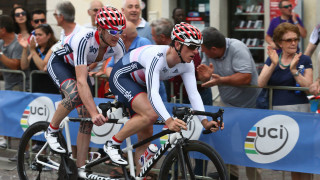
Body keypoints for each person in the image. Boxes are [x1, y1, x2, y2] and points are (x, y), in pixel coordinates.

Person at [104, 22, 223, 177]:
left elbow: (194, 94)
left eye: (198, 47)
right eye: (192, 47)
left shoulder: (187, 63)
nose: (196, 51)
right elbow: (153, 93)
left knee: (146, 134)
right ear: (179, 44)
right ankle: (112, 144)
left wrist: (205, 121)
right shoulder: (157, 56)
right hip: (122, 77)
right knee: (151, 115)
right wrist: (169, 120)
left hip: (140, 84)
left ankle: (141, 176)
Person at [44, 6, 126, 168]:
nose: (118, 35)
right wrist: (96, 113)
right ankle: (51, 130)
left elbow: (120, 77)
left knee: (87, 120)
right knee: (74, 95)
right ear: (100, 29)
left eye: (121, 30)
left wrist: (122, 99)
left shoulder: (118, 44)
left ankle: (81, 169)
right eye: (113, 31)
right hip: (60, 63)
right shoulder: (85, 39)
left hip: (78, 68)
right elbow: (81, 81)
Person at [197, 27, 261, 180]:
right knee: (223, 138)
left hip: (250, 105)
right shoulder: (208, 53)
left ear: (213, 48)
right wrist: (205, 78)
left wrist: (221, 81)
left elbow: (246, 77)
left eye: (204, 50)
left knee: (251, 145)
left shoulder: (237, 48)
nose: (203, 53)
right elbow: (207, 76)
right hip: (227, 103)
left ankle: (255, 178)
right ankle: (230, 175)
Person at [258, 22, 313, 180]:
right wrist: (273, 63)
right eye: (288, 40)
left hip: (301, 112)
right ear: (280, 43)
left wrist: (295, 71)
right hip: (280, 115)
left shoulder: (304, 59)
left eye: (295, 39)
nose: (293, 43)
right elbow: (261, 83)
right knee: (291, 157)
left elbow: (308, 87)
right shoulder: (274, 58)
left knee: (303, 155)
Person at [18, 24, 59, 94]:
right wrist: (25, 49)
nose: (37, 37)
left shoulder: (54, 47)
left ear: (49, 35)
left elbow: (43, 67)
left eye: (40, 35)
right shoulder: (36, 48)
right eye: (35, 35)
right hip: (35, 90)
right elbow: (24, 66)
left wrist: (33, 51)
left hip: (49, 89)